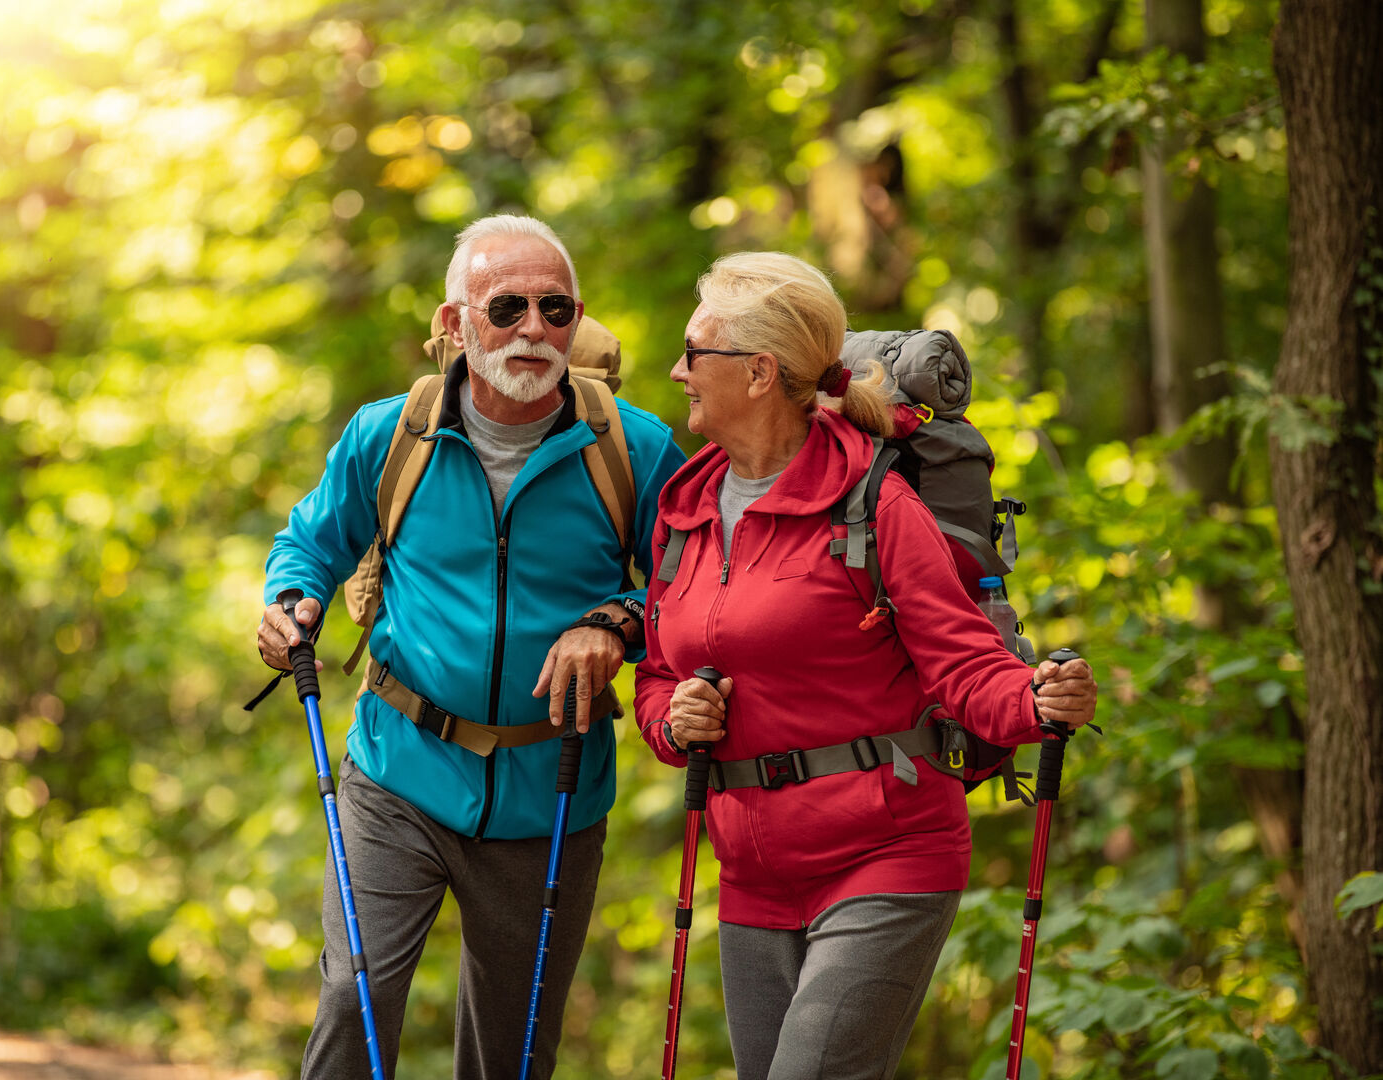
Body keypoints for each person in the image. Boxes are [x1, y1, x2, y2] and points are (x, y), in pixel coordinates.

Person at [632, 251, 1099, 1080]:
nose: (677, 371)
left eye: (694, 353)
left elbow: (963, 666)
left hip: (884, 854)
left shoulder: (873, 502)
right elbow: (659, 678)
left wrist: (1035, 699)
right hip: (752, 876)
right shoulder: (686, 511)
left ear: (758, 372)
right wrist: (673, 720)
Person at [257, 214, 685, 1079]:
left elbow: (695, 585)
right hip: (399, 768)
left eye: (554, 308)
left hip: (550, 790)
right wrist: (289, 599)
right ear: (454, 324)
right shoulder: (391, 435)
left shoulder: (632, 449)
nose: (534, 329)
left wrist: (617, 623)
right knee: (355, 998)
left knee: (514, 1049)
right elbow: (310, 541)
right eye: (508, 307)